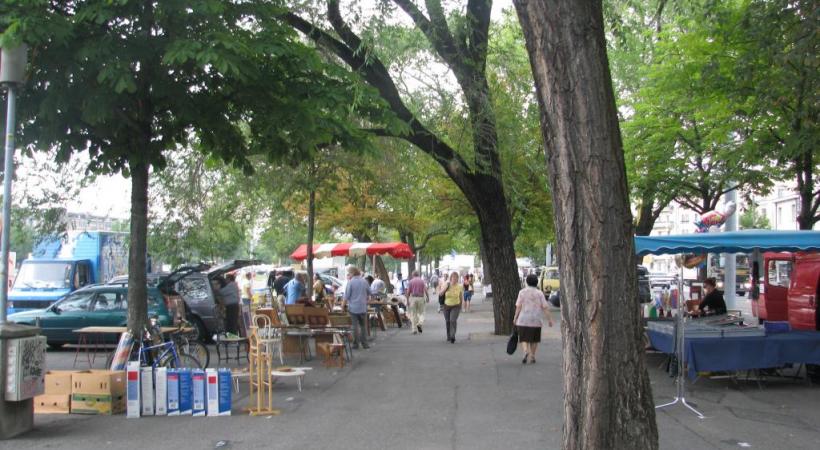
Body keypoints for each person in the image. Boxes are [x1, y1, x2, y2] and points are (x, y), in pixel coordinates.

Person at [514, 273, 553, 364]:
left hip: (523, 319)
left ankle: (525, 351)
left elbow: (518, 306)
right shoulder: (539, 293)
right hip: (536, 319)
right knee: (534, 339)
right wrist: (550, 319)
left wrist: (515, 317)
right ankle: (532, 356)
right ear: (536, 282)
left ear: (527, 282)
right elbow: (545, 307)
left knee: (524, 338)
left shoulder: (522, 292)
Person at [343, 266, 370, 349]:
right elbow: (369, 292)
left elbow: (346, 296)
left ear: (352, 273)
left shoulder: (350, 282)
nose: (348, 275)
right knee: (363, 326)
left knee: (355, 327)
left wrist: (342, 305)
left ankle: (356, 344)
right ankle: (365, 344)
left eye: (349, 273)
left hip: (353, 308)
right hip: (362, 307)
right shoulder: (364, 281)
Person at [440, 271, 464, 343]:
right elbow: (441, 294)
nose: (454, 279)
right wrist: (446, 287)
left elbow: (460, 296)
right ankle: (449, 336)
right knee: (447, 321)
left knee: (452, 320)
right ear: (451, 278)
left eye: (456, 278)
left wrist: (461, 306)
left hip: (456, 306)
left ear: (457, 279)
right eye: (453, 278)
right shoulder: (446, 284)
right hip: (446, 306)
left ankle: (453, 335)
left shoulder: (460, 286)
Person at [406, 270, 429, 334]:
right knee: (422, 313)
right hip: (421, 298)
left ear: (413, 275)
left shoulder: (411, 281)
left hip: (413, 298)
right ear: (418, 274)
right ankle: (420, 323)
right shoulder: (422, 281)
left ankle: (414, 330)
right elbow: (425, 290)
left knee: (413, 314)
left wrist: (407, 300)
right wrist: (428, 297)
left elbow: (408, 292)